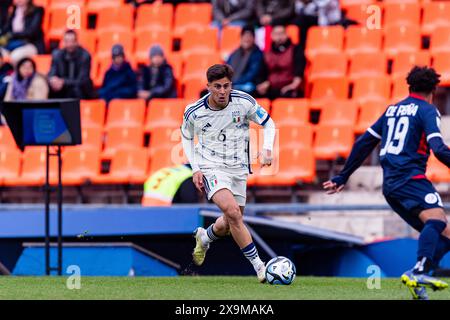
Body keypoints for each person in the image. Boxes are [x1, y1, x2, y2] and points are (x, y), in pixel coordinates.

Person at [323, 66, 450, 300]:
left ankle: (417, 277)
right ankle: (420, 271)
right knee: (438, 221)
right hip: (410, 178)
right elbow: (439, 149)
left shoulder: (392, 110)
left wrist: (343, 176)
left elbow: (364, 142)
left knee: (445, 234)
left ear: (409, 87)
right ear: (433, 90)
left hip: (390, 186)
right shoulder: (427, 110)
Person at [181, 64, 276, 282]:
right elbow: (186, 136)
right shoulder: (194, 112)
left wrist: (268, 147)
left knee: (231, 220)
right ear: (208, 87)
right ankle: (260, 268)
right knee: (233, 213)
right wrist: (196, 168)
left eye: (226, 86)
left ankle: (205, 237)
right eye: (217, 87)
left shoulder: (244, 102)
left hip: (239, 168)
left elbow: (268, 123)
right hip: (211, 166)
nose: (222, 91)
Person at [257, 24, 306, 99]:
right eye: (276, 34)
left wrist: (292, 86)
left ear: (286, 34)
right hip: (272, 87)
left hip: (289, 87)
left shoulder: (296, 49)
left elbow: (299, 72)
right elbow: (262, 73)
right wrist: (262, 85)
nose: (279, 37)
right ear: (272, 36)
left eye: (282, 33)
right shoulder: (267, 53)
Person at [48, 29, 95, 99]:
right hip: (62, 89)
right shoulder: (57, 55)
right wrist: (53, 80)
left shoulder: (85, 56)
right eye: (67, 41)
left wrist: (63, 82)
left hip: (80, 89)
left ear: (76, 42)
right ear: (63, 42)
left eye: (72, 41)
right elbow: (52, 73)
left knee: (77, 89)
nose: (69, 44)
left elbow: (82, 79)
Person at [0, 0, 45, 64]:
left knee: (15, 56)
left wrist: (11, 35)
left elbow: (31, 32)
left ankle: (16, 74)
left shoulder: (38, 10)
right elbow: (6, 29)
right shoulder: (13, 11)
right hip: (12, 44)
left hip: (30, 44)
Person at [226, 25, 264, 95]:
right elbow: (226, 68)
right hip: (233, 84)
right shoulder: (235, 53)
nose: (247, 39)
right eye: (244, 36)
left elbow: (252, 75)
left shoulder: (257, 54)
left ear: (254, 38)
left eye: (249, 36)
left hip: (249, 85)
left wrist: (233, 83)